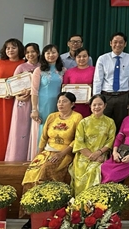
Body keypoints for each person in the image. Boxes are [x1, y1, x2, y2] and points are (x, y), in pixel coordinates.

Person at [20, 92, 82, 225]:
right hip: (47, 151)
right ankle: (32, 213)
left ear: (72, 104)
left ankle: (50, 211)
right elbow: (43, 138)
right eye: (59, 101)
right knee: (31, 172)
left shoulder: (77, 117)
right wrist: (37, 155)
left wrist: (61, 154)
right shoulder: (52, 116)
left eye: (64, 101)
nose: (60, 104)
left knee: (45, 169)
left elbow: (77, 140)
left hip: (64, 153)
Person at [0, 38, 25, 161]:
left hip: (16, 102)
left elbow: (25, 84)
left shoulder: (23, 64)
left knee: (13, 129)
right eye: (8, 48)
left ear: (19, 49)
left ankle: (11, 157)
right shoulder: (0, 63)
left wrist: (14, 94)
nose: (10, 50)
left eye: (13, 47)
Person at [69, 94, 116, 195]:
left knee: (93, 171)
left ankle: (92, 201)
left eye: (100, 104)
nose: (97, 107)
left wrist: (99, 153)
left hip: (101, 155)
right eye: (94, 105)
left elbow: (110, 141)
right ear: (90, 106)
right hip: (83, 156)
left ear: (105, 105)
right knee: (81, 172)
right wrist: (91, 155)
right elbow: (79, 143)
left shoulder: (110, 122)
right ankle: (80, 201)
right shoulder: (83, 122)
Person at [93, 32, 129, 131]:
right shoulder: (102, 59)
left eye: (121, 42)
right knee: (103, 124)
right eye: (115, 42)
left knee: (120, 125)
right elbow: (98, 80)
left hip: (123, 96)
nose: (118, 45)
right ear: (110, 43)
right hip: (106, 96)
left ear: (125, 44)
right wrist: (96, 98)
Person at [29, 44, 66, 160]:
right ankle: (39, 158)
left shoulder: (63, 70)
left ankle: (53, 157)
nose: (51, 55)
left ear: (58, 54)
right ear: (43, 55)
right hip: (43, 105)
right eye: (48, 53)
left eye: (53, 52)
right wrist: (34, 109)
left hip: (59, 105)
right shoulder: (38, 70)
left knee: (56, 128)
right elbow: (34, 91)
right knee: (43, 129)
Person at [5, 42, 40, 161]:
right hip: (22, 102)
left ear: (38, 52)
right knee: (19, 129)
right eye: (27, 52)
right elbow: (13, 86)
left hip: (37, 102)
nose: (30, 54)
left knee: (34, 129)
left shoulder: (42, 66)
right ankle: (16, 157)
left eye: (33, 51)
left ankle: (33, 157)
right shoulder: (21, 67)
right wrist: (18, 96)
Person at [62, 47, 95, 118]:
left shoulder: (94, 71)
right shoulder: (69, 72)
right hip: (73, 106)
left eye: (84, 56)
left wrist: (92, 98)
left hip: (89, 105)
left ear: (88, 57)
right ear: (75, 58)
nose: (82, 59)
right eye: (79, 56)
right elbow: (64, 89)